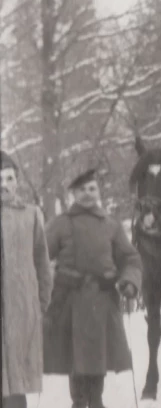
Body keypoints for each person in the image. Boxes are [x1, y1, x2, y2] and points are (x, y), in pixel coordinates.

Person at [44, 169, 143, 408]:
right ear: (73, 194)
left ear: (99, 192)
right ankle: (78, 402)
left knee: (98, 361)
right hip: (70, 304)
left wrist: (129, 281)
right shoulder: (61, 224)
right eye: (81, 190)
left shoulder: (111, 225)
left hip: (102, 302)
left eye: (92, 189)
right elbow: (40, 255)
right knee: (76, 363)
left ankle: (96, 401)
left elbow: (130, 258)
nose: (88, 194)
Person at [1, 151, 53, 408]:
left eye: (9, 178)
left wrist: (40, 303)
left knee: (15, 389)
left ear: (17, 181)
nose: (4, 185)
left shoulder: (30, 215)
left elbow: (42, 263)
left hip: (21, 316)